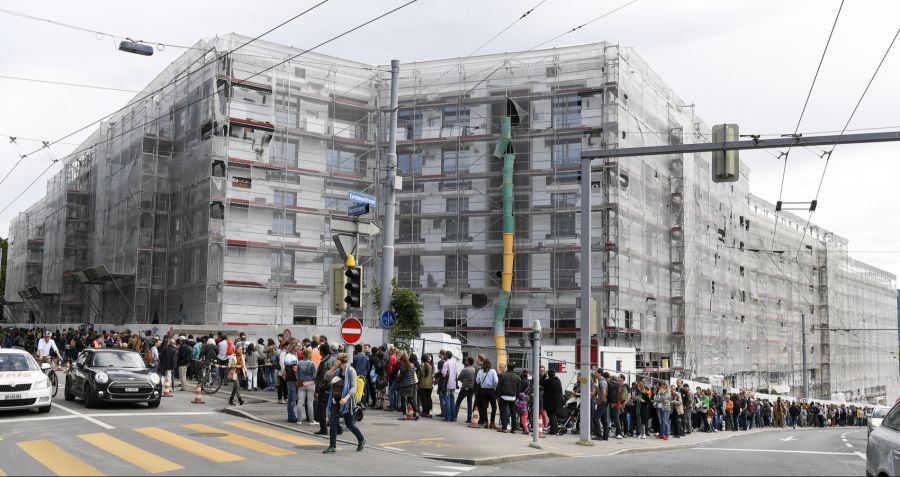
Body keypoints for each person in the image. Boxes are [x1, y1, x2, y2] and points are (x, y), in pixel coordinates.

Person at [322, 353, 366, 454]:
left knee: (349, 424)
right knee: (333, 422)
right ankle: (332, 446)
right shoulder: (338, 371)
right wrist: (333, 367)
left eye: (336, 361)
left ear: (340, 361)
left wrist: (345, 399)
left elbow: (353, 388)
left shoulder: (351, 371)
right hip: (336, 400)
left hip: (347, 402)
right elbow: (326, 377)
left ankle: (361, 439)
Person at [314, 343, 336, 435]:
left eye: (320, 351)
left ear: (322, 351)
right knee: (332, 408)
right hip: (331, 386)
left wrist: (318, 389)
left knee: (321, 409)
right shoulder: (332, 359)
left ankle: (323, 429)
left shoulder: (325, 361)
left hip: (325, 387)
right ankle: (337, 428)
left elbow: (323, 377)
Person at [497, 363, 520, 433]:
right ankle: (513, 429)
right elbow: (518, 389)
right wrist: (516, 397)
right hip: (513, 397)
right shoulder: (517, 377)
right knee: (513, 413)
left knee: (503, 411)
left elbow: (499, 387)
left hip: (503, 396)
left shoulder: (502, 375)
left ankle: (504, 427)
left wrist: (497, 396)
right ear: (514, 368)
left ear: (507, 367)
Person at [475, 358, 498, 428]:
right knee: (494, 407)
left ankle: (486, 422)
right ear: (490, 364)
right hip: (491, 390)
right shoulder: (493, 371)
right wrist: (494, 387)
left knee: (484, 407)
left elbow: (477, 381)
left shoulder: (480, 371)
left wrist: (482, 383)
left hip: (482, 390)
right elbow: (496, 381)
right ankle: (492, 422)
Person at [297, 347, 318, 425]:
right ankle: (311, 420)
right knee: (310, 403)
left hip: (301, 384)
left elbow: (297, 375)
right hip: (311, 384)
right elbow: (315, 375)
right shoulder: (312, 364)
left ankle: (299, 420)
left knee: (300, 402)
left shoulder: (299, 363)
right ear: (309, 355)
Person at [455, 356, 476, 423]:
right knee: (469, 403)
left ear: (468, 362)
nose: (465, 361)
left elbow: (458, 378)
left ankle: (454, 416)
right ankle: (469, 419)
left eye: (466, 360)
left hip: (464, 388)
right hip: (471, 388)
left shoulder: (465, 370)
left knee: (458, 402)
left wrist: (463, 381)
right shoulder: (474, 369)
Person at [541, 369, 563, 435]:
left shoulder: (548, 381)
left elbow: (540, 382)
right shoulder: (558, 380)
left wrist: (544, 375)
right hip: (558, 402)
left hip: (550, 402)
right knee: (553, 415)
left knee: (551, 415)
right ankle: (554, 429)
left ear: (548, 374)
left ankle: (553, 431)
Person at [283, 344, 300, 423]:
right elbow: (289, 370)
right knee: (292, 399)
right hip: (291, 380)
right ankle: (291, 416)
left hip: (293, 380)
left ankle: (292, 415)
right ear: (293, 347)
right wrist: (295, 380)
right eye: (297, 346)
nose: (299, 347)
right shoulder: (289, 356)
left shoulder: (293, 355)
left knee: (293, 398)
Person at [441, 351, 458, 422]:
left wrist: (441, 373)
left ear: (446, 356)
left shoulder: (446, 363)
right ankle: (453, 417)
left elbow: (444, 375)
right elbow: (456, 373)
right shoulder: (454, 363)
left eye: (444, 355)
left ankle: (447, 417)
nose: (443, 356)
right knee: (452, 400)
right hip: (453, 383)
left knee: (447, 399)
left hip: (447, 384)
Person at [417, 354, 434, 418]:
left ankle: (424, 412)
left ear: (421, 359)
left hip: (422, 385)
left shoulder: (421, 366)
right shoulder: (430, 366)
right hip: (429, 385)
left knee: (423, 399)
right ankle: (427, 411)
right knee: (428, 398)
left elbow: (418, 376)